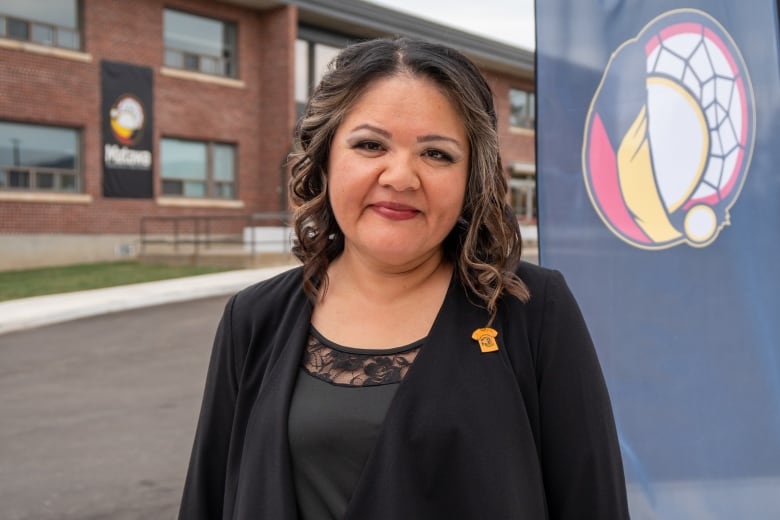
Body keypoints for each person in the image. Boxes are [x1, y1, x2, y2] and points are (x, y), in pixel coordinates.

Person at [178, 36, 630, 520]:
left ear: (470, 176)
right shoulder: (254, 318)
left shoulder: (534, 310)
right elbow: (207, 497)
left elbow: (593, 502)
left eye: (436, 154)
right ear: (326, 157)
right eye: (370, 145)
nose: (400, 177)